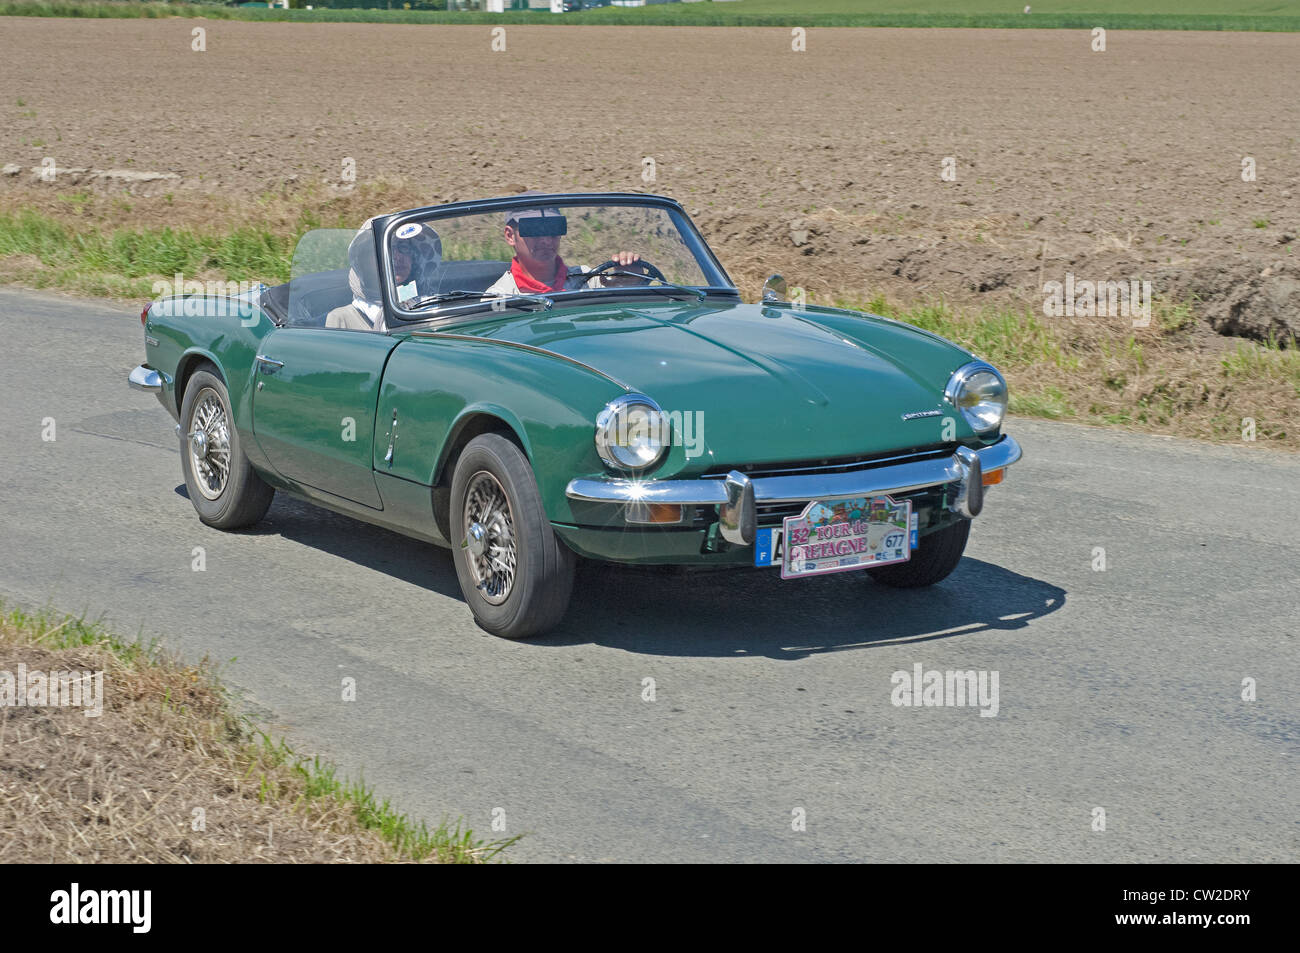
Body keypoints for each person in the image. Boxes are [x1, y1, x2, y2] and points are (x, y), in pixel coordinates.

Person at [485, 194, 645, 296]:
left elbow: (622, 313)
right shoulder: (500, 296)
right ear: (510, 236)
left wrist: (631, 279)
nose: (546, 240)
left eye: (554, 228)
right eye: (534, 229)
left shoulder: (588, 279)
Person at [325, 219, 442, 330]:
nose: (397, 257)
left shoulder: (432, 309)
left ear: (414, 258)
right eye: (387, 249)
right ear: (362, 262)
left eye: (404, 247)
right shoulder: (342, 319)